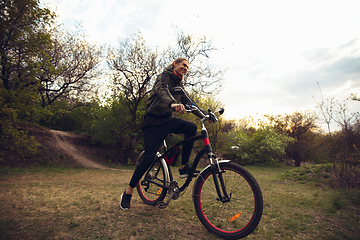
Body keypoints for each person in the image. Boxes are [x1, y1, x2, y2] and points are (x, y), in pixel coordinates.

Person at [120, 57, 201, 210]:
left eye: (187, 67)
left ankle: (184, 167)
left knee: (191, 128)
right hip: (153, 123)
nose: (185, 68)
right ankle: (128, 192)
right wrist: (172, 103)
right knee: (149, 157)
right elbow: (162, 91)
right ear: (175, 64)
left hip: (167, 120)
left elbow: (189, 102)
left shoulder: (179, 84)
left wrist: (205, 115)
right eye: (183, 65)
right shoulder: (163, 76)